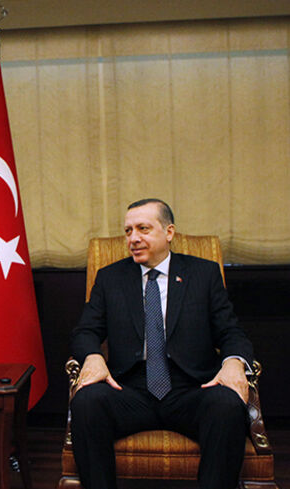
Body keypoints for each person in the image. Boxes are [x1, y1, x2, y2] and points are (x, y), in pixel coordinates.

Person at [69, 198, 253, 489]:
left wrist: (232, 363)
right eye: (128, 231)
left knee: (227, 404)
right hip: (130, 389)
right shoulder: (111, 278)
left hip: (191, 388)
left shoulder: (203, 274)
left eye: (143, 228)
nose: (133, 238)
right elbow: (85, 331)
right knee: (87, 402)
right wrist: (93, 357)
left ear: (169, 232)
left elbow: (231, 332)